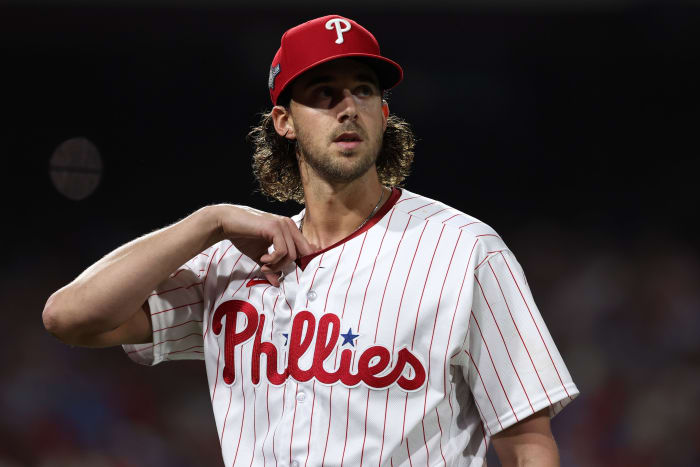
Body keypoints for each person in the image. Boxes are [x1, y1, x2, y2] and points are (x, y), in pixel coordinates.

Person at [43, 14, 578, 467]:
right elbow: (70, 317)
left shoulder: (463, 248)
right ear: (284, 122)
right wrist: (206, 221)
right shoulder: (233, 262)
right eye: (325, 93)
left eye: (364, 90)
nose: (348, 107)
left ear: (384, 114)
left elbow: (526, 441)